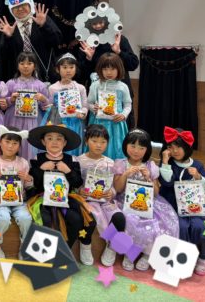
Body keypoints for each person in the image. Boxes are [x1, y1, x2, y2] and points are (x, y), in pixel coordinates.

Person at [25, 111, 97, 265]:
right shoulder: (38, 159)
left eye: (59, 139)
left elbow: (77, 183)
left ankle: (65, 251)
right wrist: (41, 169)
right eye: (50, 138)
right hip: (43, 198)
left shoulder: (72, 160)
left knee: (76, 219)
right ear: (43, 141)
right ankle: (44, 254)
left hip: (66, 198)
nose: (54, 142)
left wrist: (68, 171)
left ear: (65, 143)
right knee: (45, 219)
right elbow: (33, 183)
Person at [113, 128, 179, 271]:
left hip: (148, 203)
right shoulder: (121, 163)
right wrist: (125, 174)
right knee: (130, 220)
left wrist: (148, 178)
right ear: (125, 145)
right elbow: (117, 188)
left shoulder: (151, 166)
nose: (136, 151)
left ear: (147, 149)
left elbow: (156, 193)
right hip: (125, 201)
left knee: (158, 222)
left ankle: (147, 255)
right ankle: (130, 253)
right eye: (133, 146)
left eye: (141, 148)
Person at [159, 126, 205, 276]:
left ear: (187, 147)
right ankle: (182, 260)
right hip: (172, 205)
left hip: (194, 207)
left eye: (179, 147)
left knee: (200, 226)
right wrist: (165, 161)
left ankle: (202, 257)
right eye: (171, 147)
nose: (175, 151)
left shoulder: (198, 165)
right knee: (180, 226)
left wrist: (198, 177)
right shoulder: (168, 163)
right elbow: (166, 182)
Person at [75, 124, 126, 266]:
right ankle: (85, 245)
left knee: (119, 218)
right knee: (88, 217)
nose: (99, 145)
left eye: (103, 142)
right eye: (94, 141)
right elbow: (74, 184)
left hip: (106, 202)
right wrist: (80, 191)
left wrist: (111, 193)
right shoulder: (78, 161)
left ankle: (112, 247)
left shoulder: (110, 162)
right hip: (87, 201)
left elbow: (113, 186)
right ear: (86, 141)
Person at [0, 126, 33, 261]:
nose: (10, 146)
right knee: (3, 218)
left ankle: (24, 245)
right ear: (0, 142)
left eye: (15, 143)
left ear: (19, 146)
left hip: (19, 200)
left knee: (25, 218)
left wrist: (28, 178)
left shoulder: (23, 163)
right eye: (7, 142)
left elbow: (28, 186)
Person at [78, 20, 138, 128]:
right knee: (97, 133)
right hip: (97, 94)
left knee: (122, 129)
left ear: (107, 22)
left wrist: (119, 51)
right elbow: (81, 74)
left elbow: (133, 64)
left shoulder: (119, 39)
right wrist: (89, 58)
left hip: (120, 92)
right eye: (94, 23)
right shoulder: (87, 42)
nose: (98, 26)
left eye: (101, 22)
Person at [0, 0, 63, 83]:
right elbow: (4, 56)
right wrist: (8, 38)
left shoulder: (42, 20)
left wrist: (44, 26)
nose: (20, 9)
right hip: (19, 79)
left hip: (45, 76)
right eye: (16, 7)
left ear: (30, 5)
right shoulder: (10, 28)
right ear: (11, 11)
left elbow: (57, 41)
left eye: (23, 5)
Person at [4, 52, 50, 159]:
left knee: (30, 143)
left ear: (34, 66)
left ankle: (28, 166)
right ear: (17, 65)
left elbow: (47, 107)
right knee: (13, 140)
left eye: (29, 63)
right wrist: (11, 99)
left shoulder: (40, 85)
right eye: (22, 63)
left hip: (33, 121)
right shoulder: (11, 83)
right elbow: (3, 105)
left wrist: (43, 99)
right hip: (14, 119)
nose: (25, 66)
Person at [87, 53, 131, 160]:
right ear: (100, 70)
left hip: (116, 123)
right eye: (105, 69)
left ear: (119, 69)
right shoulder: (95, 85)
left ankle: (116, 168)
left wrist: (123, 115)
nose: (109, 72)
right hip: (98, 123)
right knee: (97, 144)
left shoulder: (123, 86)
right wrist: (93, 108)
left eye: (112, 69)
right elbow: (88, 103)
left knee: (117, 146)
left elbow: (128, 104)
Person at [43, 53, 88, 156]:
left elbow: (85, 106)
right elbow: (49, 105)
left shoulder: (80, 88)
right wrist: (50, 107)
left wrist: (82, 113)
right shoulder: (53, 88)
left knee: (73, 145)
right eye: (65, 67)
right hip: (59, 122)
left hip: (75, 122)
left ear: (76, 68)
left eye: (71, 67)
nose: (68, 70)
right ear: (57, 69)